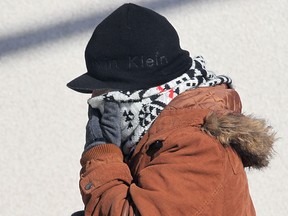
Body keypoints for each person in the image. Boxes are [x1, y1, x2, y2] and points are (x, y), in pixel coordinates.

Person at [67, 3, 276, 216]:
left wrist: (102, 154)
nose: (95, 101)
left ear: (136, 95)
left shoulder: (198, 147)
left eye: (103, 93)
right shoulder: (157, 137)